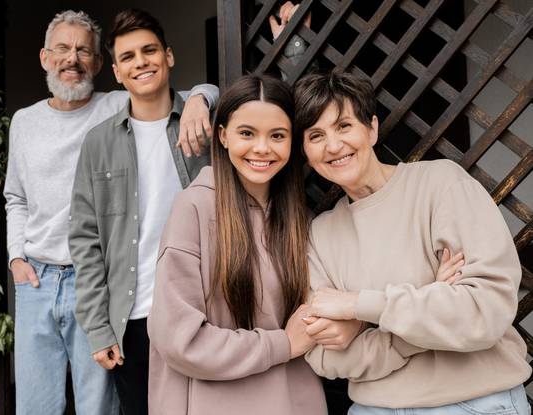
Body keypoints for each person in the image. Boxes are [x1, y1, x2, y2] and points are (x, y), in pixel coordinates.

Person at [4, 9, 217, 415]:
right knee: (34, 405)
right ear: (44, 57)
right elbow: (15, 196)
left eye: (84, 51)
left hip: (105, 284)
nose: (73, 59)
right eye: (63, 49)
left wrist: (201, 99)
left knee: (99, 405)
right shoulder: (25, 122)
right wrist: (16, 257)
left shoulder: (120, 102)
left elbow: (186, 89)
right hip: (39, 279)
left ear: (102, 66)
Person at [295, 70, 531, 414]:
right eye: (316, 135)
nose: (333, 146)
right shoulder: (320, 235)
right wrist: (427, 303)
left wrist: (357, 306)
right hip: (373, 407)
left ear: (372, 128)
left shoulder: (440, 184)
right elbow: (326, 357)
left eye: (344, 126)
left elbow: (483, 312)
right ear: (305, 150)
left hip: (473, 402)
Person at [147, 74, 340, 415]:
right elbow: (180, 339)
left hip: (294, 402)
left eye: (277, 136)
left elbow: (335, 304)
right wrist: (282, 343)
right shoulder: (193, 209)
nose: (262, 148)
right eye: (247, 133)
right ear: (222, 136)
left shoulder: (300, 220)